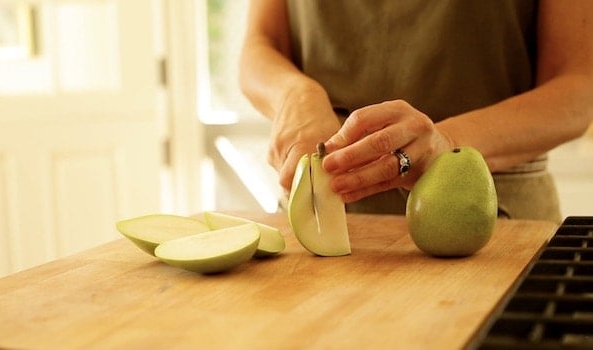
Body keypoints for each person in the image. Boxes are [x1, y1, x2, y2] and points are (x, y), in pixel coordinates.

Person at [238, 0, 593, 223]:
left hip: (496, 223)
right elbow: (260, 45)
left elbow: (578, 87)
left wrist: (448, 143)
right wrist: (294, 96)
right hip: (319, 218)